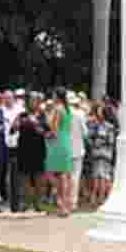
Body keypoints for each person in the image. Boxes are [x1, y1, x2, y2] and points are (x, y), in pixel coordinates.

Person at [44, 88, 75, 216]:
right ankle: (67, 204)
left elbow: (54, 130)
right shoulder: (68, 110)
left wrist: (45, 134)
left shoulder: (57, 109)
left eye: (53, 95)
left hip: (57, 143)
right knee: (64, 175)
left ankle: (61, 202)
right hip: (66, 141)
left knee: (50, 173)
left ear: (57, 96)